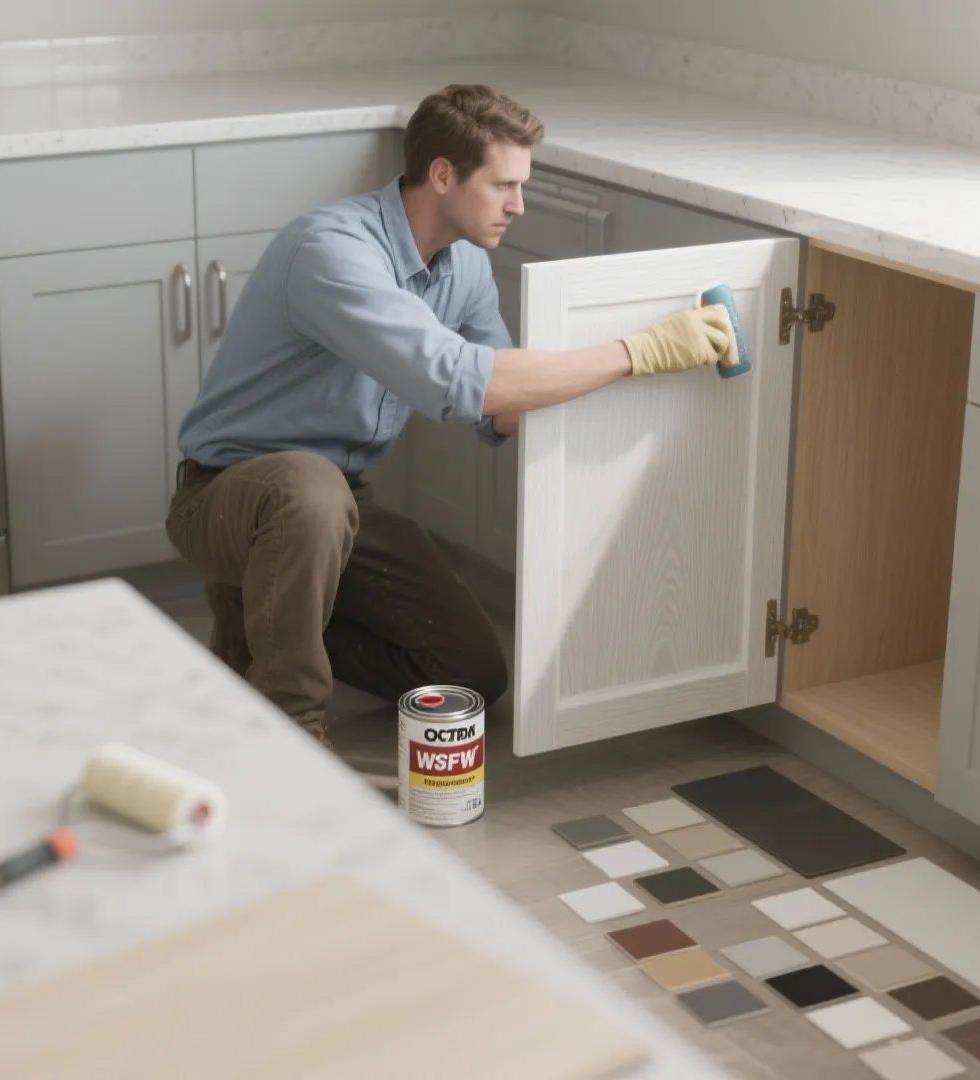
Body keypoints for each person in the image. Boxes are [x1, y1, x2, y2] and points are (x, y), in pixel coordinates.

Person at [165, 83, 737, 748]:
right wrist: (636, 352)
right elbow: (461, 380)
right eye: (504, 186)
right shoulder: (330, 251)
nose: (518, 205)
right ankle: (292, 726)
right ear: (443, 175)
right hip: (227, 498)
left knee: (469, 673)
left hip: (335, 505)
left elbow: (500, 407)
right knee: (309, 493)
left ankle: (255, 622)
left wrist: (635, 376)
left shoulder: (463, 267)